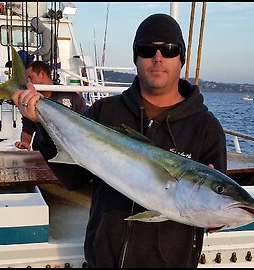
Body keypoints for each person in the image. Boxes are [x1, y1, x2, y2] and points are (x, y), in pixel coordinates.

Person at [12, 13, 227, 268]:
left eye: (169, 50)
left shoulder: (205, 128)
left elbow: (216, 202)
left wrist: (218, 217)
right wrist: (41, 122)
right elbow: (72, 177)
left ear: (181, 58)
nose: (158, 58)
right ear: (136, 57)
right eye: (148, 50)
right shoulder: (105, 113)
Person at [14, 61, 87, 151]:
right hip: (41, 153)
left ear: (42, 74)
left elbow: (84, 126)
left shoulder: (71, 96)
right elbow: (27, 128)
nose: (28, 82)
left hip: (69, 152)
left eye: (30, 77)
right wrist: (25, 143)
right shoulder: (32, 100)